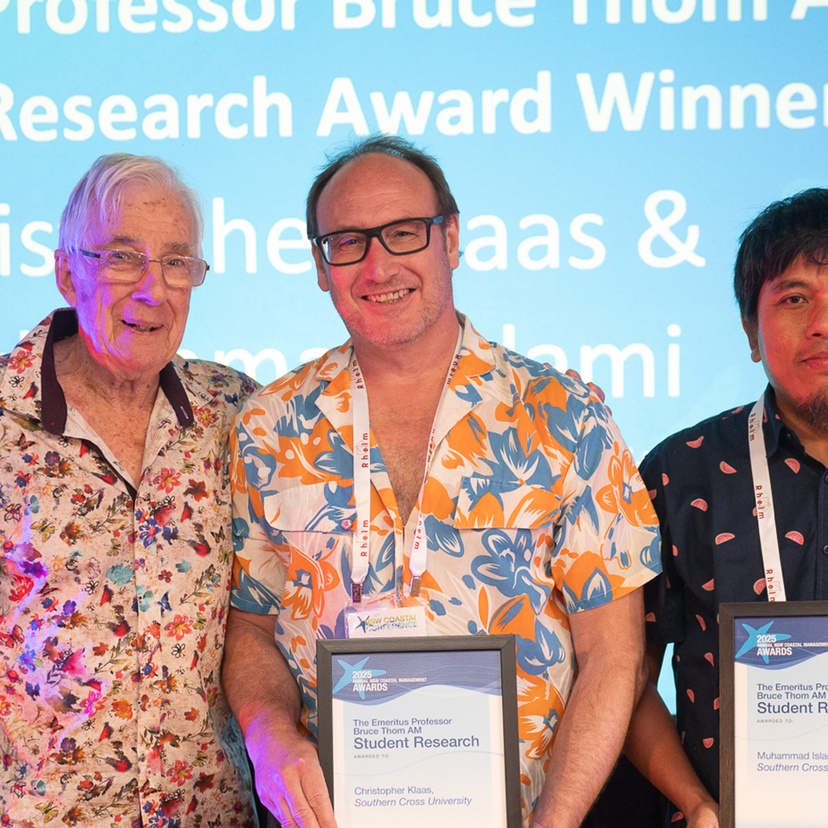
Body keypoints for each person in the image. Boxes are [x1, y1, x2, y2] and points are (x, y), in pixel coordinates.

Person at [223, 134, 661, 828]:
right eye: (347, 242)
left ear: (450, 238)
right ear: (319, 263)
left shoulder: (563, 416)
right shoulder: (268, 426)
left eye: (402, 234)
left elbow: (613, 653)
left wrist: (556, 822)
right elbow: (250, 628)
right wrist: (266, 729)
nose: (377, 266)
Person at [0, 153, 258, 826]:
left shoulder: (238, 414)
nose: (154, 288)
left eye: (178, 262)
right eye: (122, 258)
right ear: (65, 273)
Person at [623, 187, 828, 828]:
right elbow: (619, 682)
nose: (822, 321)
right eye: (795, 298)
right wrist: (696, 805)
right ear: (750, 328)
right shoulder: (680, 473)